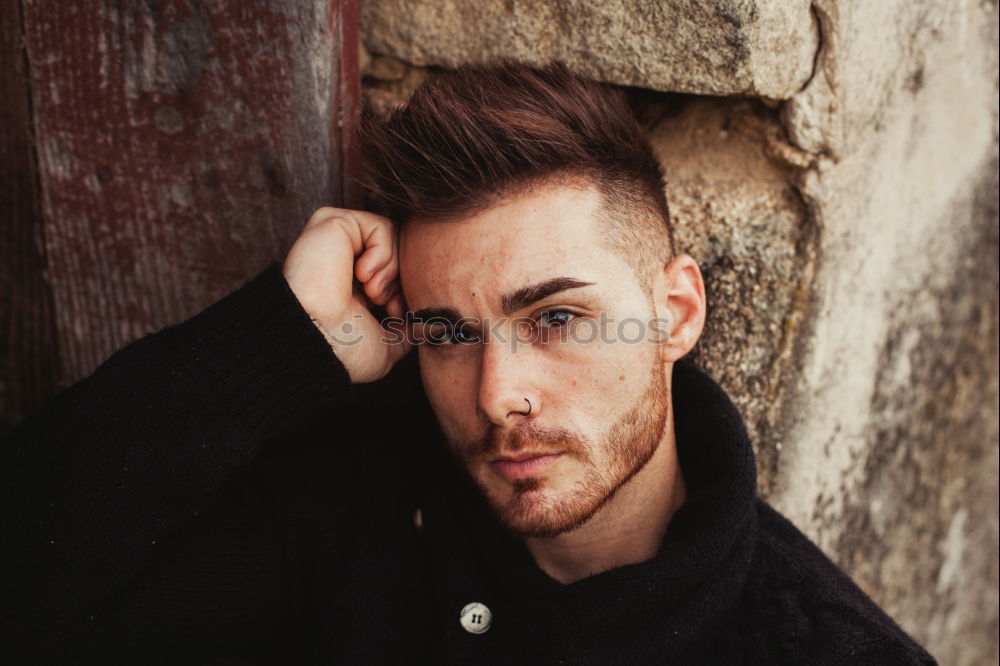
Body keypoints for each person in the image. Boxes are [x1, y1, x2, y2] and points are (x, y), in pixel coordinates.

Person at [0, 61, 935, 665]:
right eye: (447, 335)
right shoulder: (354, 516)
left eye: (557, 316)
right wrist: (275, 344)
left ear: (674, 311)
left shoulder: (817, 648)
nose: (497, 396)